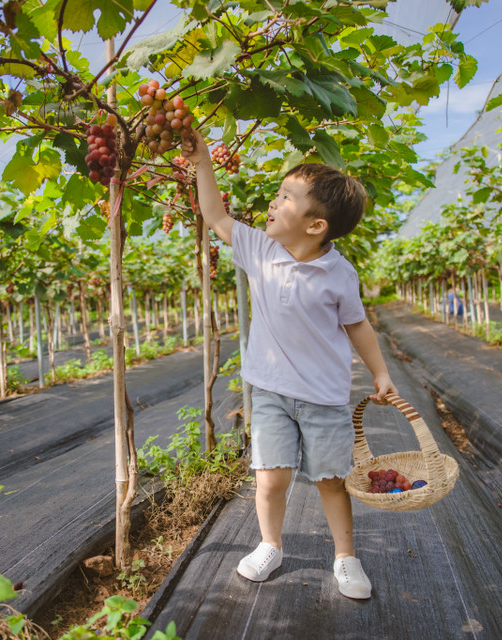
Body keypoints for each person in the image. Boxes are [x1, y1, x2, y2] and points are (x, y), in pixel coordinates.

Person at [181, 129, 397, 599]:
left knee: (331, 481)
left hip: (324, 397)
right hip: (271, 391)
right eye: (279, 194)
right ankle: (270, 545)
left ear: (316, 225)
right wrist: (201, 163)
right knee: (270, 477)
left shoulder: (340, 273)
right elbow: (214, 213)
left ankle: (345, 558)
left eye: (285, 198)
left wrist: (381, 372)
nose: (273, 204)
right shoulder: (260, 250)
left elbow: (358, 325)